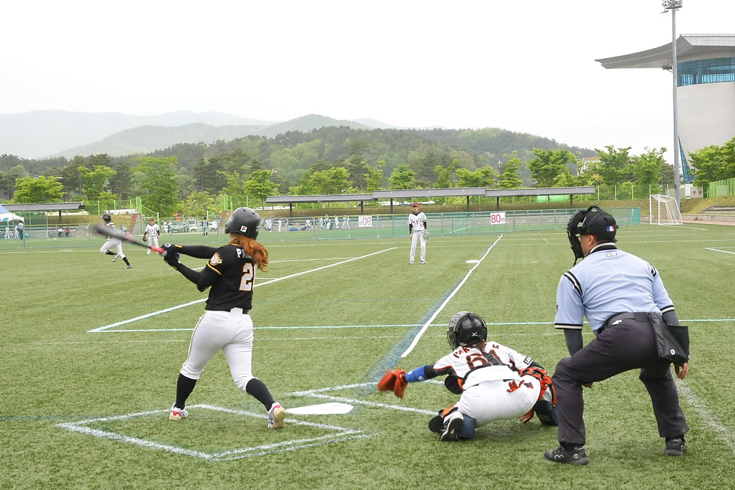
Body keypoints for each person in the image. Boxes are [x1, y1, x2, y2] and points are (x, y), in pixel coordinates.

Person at [545, 205, 689, 465]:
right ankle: (675, 439)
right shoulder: (643, 264)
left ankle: (572, 448)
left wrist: (581, 368)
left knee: (566, 372)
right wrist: (680, 352)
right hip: (658, 332)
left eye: (581, 238)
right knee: (657, 373)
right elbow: (668, 311)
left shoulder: (574, 274)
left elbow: (572, 328)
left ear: (589, 239)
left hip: (622, 333)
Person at [161, 206, 285, 429]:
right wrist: (177, 247)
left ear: (234, 226)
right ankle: (273, 406)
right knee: (244, 377)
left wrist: (176, 264)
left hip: (216, 321)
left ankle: (178, 408)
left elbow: (201, 282)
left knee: (191, 368)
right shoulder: (251, 252)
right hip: (243, 324)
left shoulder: (227, 252)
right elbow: (211, 251)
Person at [383, 311, 557, 442]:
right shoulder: (497, 347)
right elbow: (536, 367)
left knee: (464, 405)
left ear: (456, 337)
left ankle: (455, 419)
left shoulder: (455, 356)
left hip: (477, 401)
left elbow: (428, 371)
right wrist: (531, 383)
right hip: (515, 395)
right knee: (538, 376)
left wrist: (404, 377)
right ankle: (546, 410)